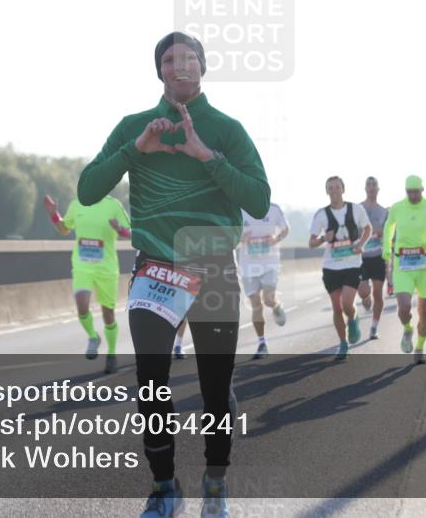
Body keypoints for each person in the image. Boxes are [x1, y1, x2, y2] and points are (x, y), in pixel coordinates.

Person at [77, 32, 270, 518]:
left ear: (203, 68)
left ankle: (215, 483)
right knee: (151, 378)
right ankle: (165, 487)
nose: (180, 66)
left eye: (189, 58)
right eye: (170, 60)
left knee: (213, 387)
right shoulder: (134, 126)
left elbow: (259, 200)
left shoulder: (227, 129)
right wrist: (135, 151)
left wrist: (207, 156)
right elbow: (86, 191)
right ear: (159, 71)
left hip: (213, 269)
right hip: (156, 269)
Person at [43, 192, 131, 374]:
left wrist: (119, 230)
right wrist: (54, 214)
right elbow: (65, 229)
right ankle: (93, 336)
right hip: (82, 265)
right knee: (82, 305)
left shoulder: (113, 205)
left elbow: (129, 233)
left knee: (108, 313)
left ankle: (112, 354)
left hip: (106, 268)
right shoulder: (76, 205)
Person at [381, 175, 426, 365]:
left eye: (415, 192)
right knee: (403, 307)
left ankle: (419, 347)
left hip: (425, 267)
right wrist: (386, 247)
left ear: (422, 190)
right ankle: (407, 328)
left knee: (424, 312)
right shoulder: (397, 208)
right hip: (403, 265)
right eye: (409, 192)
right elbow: (388, 228)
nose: (412, 195)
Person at [309, 176, 372, 360]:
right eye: (330, 187)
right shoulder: (321, 214)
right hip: (331, 266)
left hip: (352, 263)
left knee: (346, 303)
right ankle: (343, 344)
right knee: (337, 308)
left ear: (343, 189)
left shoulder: (356, 209)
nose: (334, 190)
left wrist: (361, 243)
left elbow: (367, 228)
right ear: (327, 191)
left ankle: (352, 318)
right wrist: (322, 239)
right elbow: (312, 242)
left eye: (337, 187)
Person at [237, 203, 290, 359]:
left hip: (269, 263)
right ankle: (262, 343)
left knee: (267, 299)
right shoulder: (239, 210)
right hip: (248, 266)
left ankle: (276, 305)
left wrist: (276, 238)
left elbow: (286, 229)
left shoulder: (273, 209)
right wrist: (240, 237)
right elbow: (230, 232)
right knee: (256, 305)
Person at [357, 176, 388, 340]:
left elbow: (389, 235)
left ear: (378, 189)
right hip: (361, 257)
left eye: (373, 184)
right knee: (363, 292)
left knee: (378, 294)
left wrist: (384, 235)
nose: (371, 187)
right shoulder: (357, 209)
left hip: (377, 256)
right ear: (365, 188)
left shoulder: (384, 212)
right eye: (368, 184)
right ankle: (365, 296)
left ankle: (374, 326)